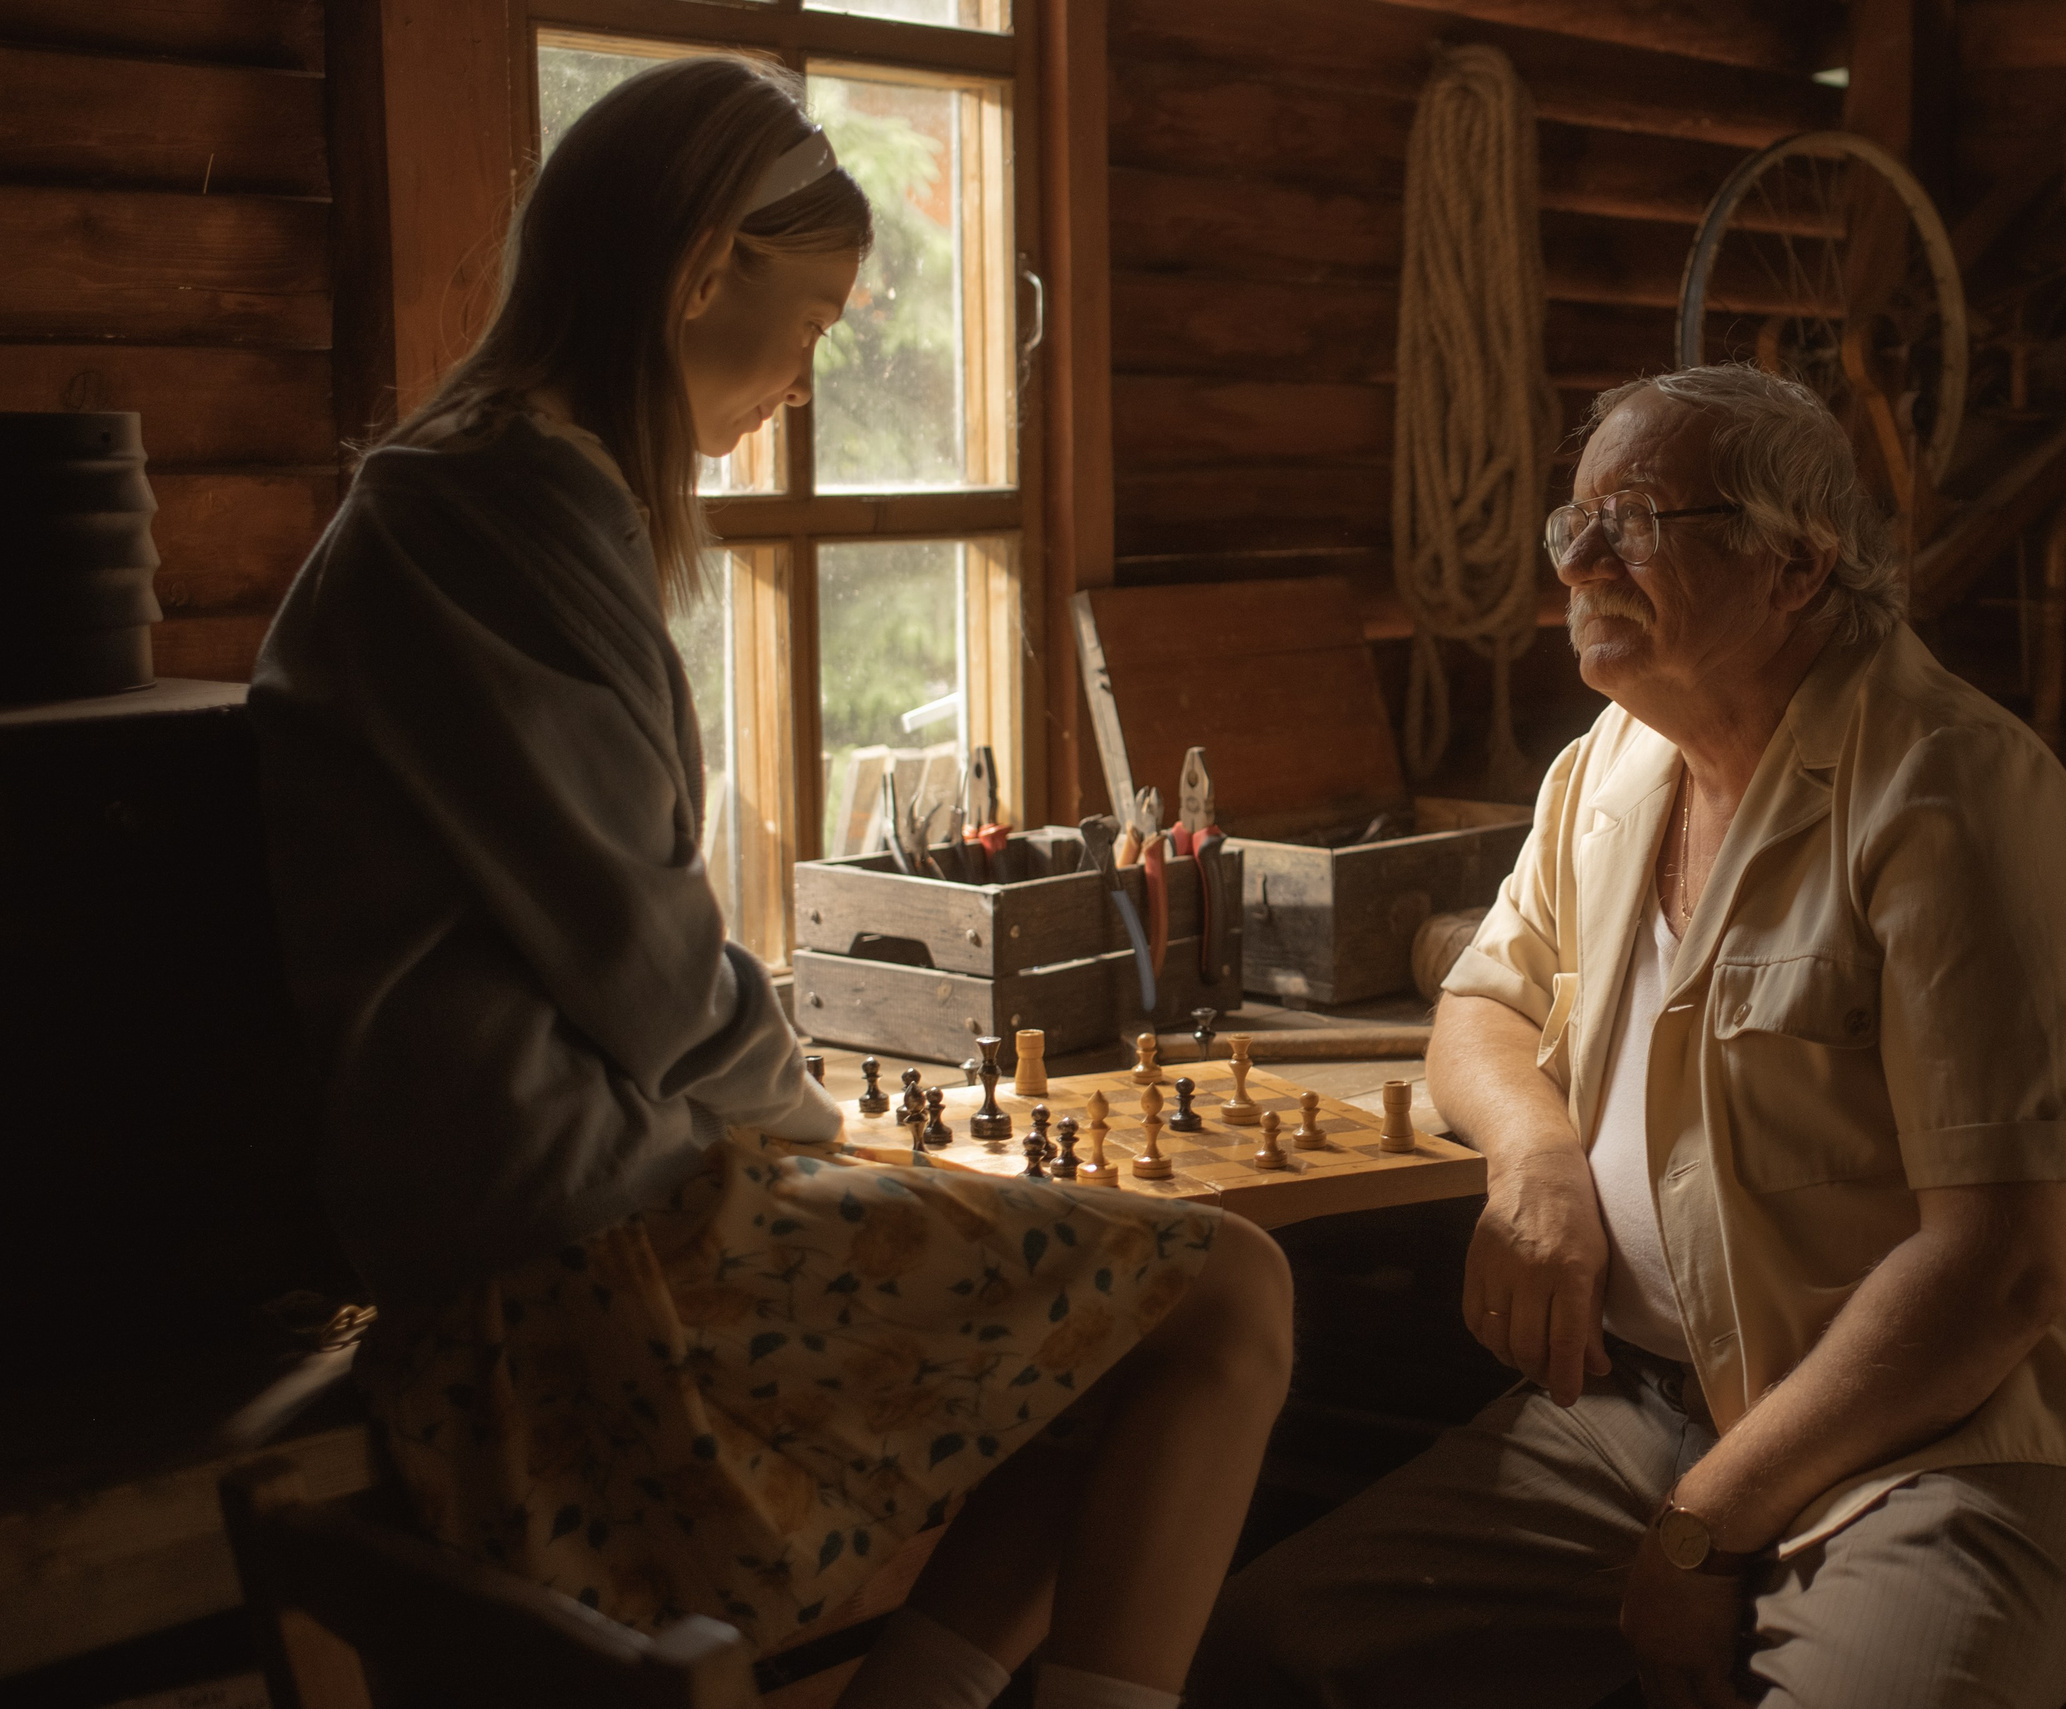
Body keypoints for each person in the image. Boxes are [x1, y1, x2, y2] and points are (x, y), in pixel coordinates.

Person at [250, 56, 1290, 1709]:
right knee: (1227, 1292)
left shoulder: (501, 490)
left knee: (1140, 1326)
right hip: (572, 1240)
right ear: (702, 267)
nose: (806, 379)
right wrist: (811, 1116)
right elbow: (651, 967)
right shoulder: (494, 503)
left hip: (565, 1196)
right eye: (809, 322)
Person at [1191, 364, 2066, 1709]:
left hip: (1975, 1435)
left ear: (1797, 567)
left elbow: (2001, 1274)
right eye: (1574, 527)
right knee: (1254, 1659)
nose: (1580, 563)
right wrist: (1536, 1159)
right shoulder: (1611, 762)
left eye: (1633, 524)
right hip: (1652, 1412)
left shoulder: (1953, 798)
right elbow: (1483, 1005)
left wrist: (1699, 1528)